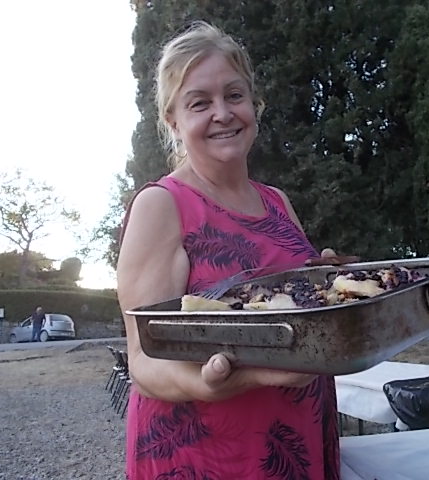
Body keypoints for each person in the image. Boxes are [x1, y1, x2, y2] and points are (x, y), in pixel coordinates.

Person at [116, 21, 340, 480]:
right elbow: (143, 362)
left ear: (253, 104)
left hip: (297, 432)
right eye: (200, 102)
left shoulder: (278, 202)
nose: (222, 113)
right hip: (208, 452)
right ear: (173, 121)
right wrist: (210, 382)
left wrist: (325, 284)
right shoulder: (163, 205)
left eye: (234, 95)